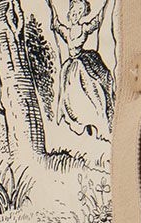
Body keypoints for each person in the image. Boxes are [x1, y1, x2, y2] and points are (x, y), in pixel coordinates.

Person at [49, 0, 113, 139]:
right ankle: (80, 123)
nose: (75, 15)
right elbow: (56, 25)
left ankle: (96, 120)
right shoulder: (67, 31)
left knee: (91, 91)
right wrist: (51, 6)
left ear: (82, 14)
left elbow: (96, 22)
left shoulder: (83, 28)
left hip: (82, 63)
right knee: (70, 95)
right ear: (69, 12)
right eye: (73, 12)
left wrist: (104, 5)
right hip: (70, 66)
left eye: (78, 12)